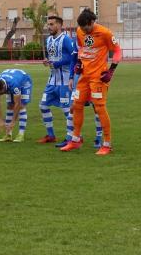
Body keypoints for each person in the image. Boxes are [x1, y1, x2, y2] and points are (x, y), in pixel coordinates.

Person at [61, 9, 122, 154]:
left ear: (92, 22)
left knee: (99, 108)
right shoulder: (80, 31)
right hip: (84, 77)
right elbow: (82, 48)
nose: (84, 31)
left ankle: (107, 144)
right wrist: (79, 64)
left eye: (86, 28)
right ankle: (75, 140)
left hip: (98, 78)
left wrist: (111, 70)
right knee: (76, 104)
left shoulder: (105, 33)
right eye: (82, 28)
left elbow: (118, 51)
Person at [36, 16, 74, 145]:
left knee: (66, 110)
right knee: (43, 105)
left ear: (59, 25)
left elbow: (74, 56)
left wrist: (58, 63)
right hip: (52, 81)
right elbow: (52, 57)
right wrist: (47, 61)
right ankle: (51, 135)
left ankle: (72, 137)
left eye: (51, 24)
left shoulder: (66, 39)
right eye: (48, 24)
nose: (49, 27)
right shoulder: (48, 40)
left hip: (64, 81)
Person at [0, 69, 32, 143]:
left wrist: (13, 121)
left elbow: (17, 104)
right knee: (10, 106)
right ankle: (8, 135)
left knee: (21, 105)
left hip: (24, 81)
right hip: (11, 80)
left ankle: (21, 134)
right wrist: (0, 120)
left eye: (1, 93)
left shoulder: (14, 85)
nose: (0, 95)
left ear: (3, 87)